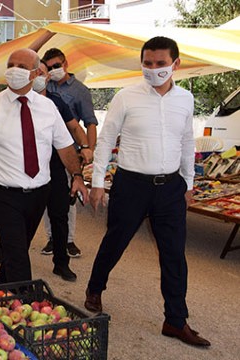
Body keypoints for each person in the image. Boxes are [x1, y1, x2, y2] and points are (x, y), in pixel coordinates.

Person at [85, 36, 209, 347]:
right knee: (116, 241)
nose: (153, 70)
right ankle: (95, 288)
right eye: (147, 64)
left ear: (175, 64)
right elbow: (106, 138)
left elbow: (186, 142)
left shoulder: (185, 99)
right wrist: (98, 182)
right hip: (131, 185)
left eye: (160, 64)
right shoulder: (126, 97)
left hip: (170, 188)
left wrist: (189, 183)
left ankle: (176, 320)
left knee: (174, 255)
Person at [0, 49, 88, 283]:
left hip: (39, 194)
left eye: (22, 66)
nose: (14, 70)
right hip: (2, 195)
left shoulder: (48, 107)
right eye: (11, 64)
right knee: (19, 258)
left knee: (15, 252)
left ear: (35, 74)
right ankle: (26, 307)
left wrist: (77, 176)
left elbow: (65, 147)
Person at [33, 60, 93, 282]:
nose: (38, 76)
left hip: (56, 164)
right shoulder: (16, 102)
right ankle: (6, 247)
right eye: (35, 72)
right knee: (24, 214)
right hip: (26, 167)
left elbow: (74, 127)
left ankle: (61, 263)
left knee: (59, 215)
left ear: (48, 76)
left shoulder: (56, 101)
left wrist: (86, 147)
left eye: (42, 72)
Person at [41, 48, 98, 258]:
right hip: (45, 150)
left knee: (69, 196)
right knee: (48, 196)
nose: (53, 70)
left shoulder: (79, 90)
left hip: (70, 151)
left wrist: (88, 149)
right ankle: (52, 238)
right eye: (49, 68)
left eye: (56, 66)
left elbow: (90, 123)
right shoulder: (43, 87)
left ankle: (69, 240)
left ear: (65, 63)